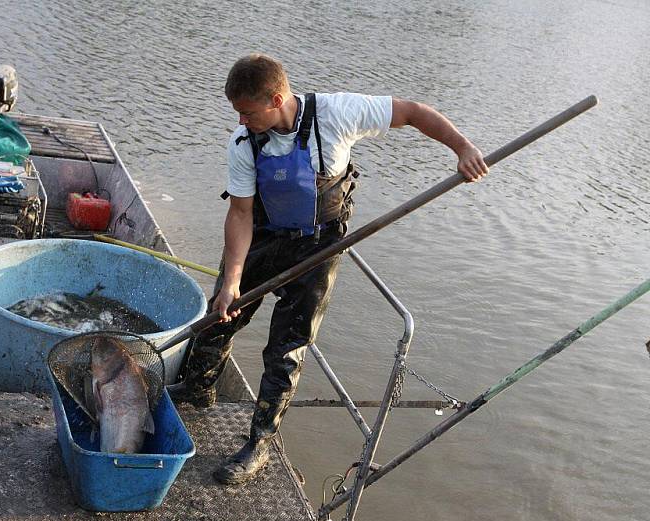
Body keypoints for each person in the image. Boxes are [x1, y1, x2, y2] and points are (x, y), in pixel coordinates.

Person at [169, 53, 489, 485]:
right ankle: (197, 390)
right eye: (238, 113)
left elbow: (413, 113)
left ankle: (259, 444)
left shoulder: (337, 113)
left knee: (286, 350)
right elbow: (241, 214)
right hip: (263, 234)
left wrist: (463, 148)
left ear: (277, 98)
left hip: (319, 247)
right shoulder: (243, 142)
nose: (241, 121)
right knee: (220, 316)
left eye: (247, 112)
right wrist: (231, 281)